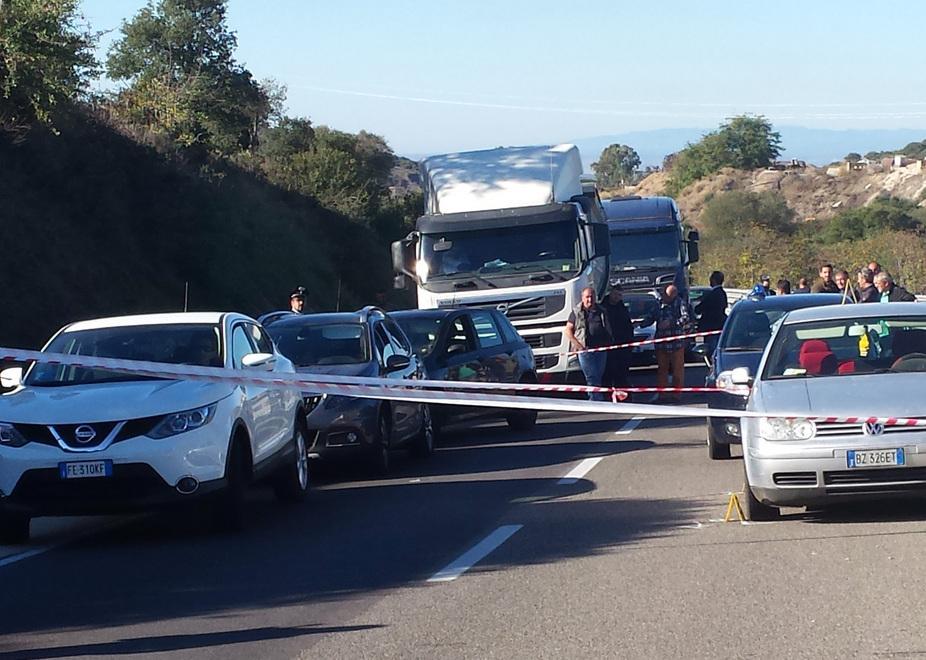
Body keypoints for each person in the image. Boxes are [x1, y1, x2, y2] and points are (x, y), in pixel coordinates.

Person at [565, 287, 612, 401]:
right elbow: (568, 330)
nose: (589, 299)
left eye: (592, 297)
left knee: (598, 375)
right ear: (582, 298)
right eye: (587, 297)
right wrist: (578, 345)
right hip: (585, 350)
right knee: (591, 376)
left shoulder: (602, 311)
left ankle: (596, 397)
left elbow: (608, 328)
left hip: (600, 349)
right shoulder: (576, 312)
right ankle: (595, 399)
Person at [654, 284, 693, 401]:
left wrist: (671, 323)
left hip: (676, 343)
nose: (665, 297)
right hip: (661, 343)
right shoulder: (659, 304)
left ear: (674, 295)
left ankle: (676, 394)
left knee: (677, 370)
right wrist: (641, 322)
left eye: (668, 295)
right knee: (662, 370)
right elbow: (651, 315)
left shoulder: (680, 303)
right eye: (664, 295)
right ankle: (662, 395)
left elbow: (686, 318)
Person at [601, 282, 634, 390]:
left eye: (619, 295)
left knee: (621, 373)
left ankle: (623, 394)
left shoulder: (622, 308)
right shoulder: (602, 307)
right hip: (607, 346)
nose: (617, 297)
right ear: (610, 293)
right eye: (615, 294)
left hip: (622, 346)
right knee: (607, 374)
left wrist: (630, 343)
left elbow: (628, 326)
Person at [695, 270, 727, 359]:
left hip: (711, 326)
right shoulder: (722, 293)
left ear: (713, 280)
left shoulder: (713, 294)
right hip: (719, 325)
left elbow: (700, 308)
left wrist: (697, 309)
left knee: (712, 348)